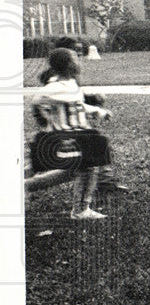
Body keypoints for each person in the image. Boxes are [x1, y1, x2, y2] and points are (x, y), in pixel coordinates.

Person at [32, 48, 113, 220]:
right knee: (85, 166)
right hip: (66, 138)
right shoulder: (56, 87)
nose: (79, 61)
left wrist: (98, 111)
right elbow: (38, 101)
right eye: (75, 58)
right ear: (69, 65)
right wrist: (46, 120)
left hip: (76, 136)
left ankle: (24, 185)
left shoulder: (70, 84)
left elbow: (77, 105)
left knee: (79, 170)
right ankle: (80, 210)